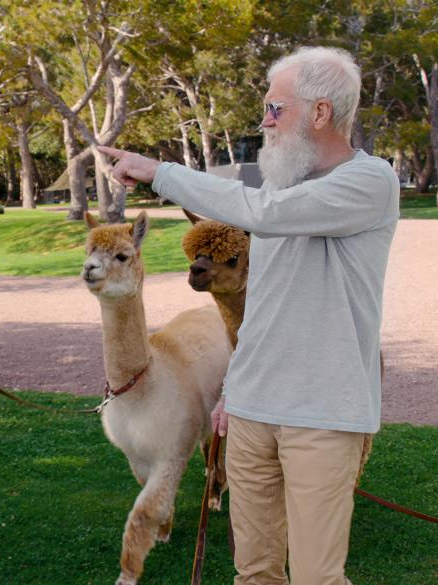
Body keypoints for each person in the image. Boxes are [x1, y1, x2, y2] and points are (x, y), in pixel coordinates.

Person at [100, 46, 399, 585]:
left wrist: (158, 173)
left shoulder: (369, 182)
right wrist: (233, 391)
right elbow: (262, 304)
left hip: (323, 417)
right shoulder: (281, 189)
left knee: (316, 577)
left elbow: (262, 212)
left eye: (275, 108)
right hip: (253, 412)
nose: (265, 120)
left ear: (321, 113)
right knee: (254, 573)